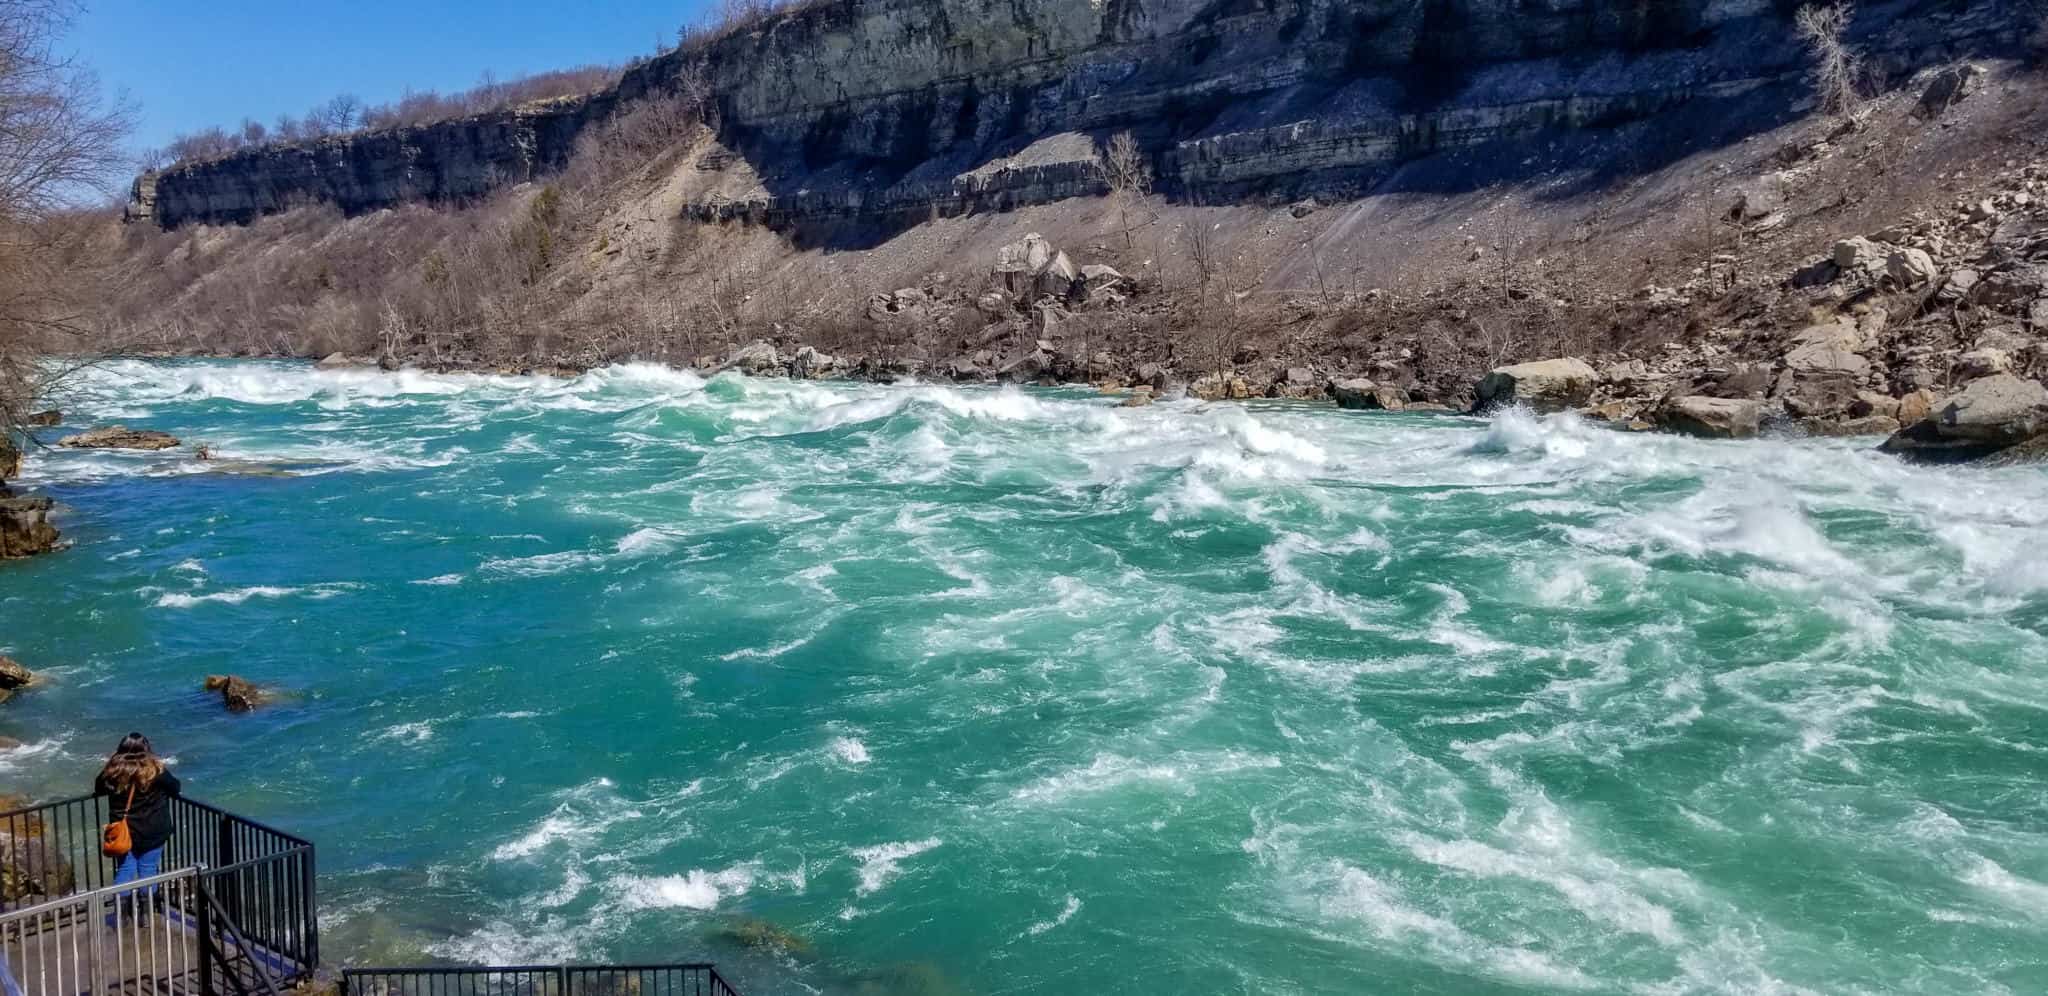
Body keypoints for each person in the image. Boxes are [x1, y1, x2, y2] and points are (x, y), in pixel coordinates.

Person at [94, 733, 181, 920]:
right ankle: (147, 914)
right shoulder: (155, 770)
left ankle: (122, 915)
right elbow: (175, 787)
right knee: (148, 869)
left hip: (124, 832)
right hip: (153, 829)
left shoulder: (113, 771)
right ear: (146, 749)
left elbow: (98, 788)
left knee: (125, 869)